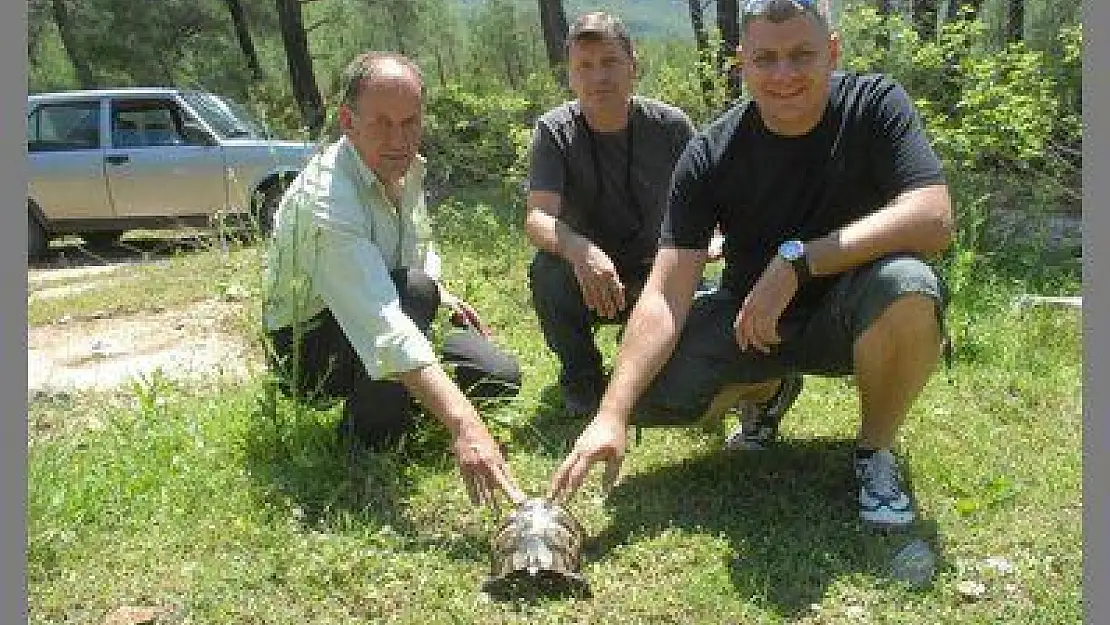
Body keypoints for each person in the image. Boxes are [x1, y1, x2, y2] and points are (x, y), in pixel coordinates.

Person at [548, 0, 954, 529]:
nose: (783, 75)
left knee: (908, 285)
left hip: (852, 314)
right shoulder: (711, 151)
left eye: (801, 55)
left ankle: (875, 451)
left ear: (832, 52)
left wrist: (798, 262)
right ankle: (767, 388)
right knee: (648, 391)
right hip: (753, 324)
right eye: (765, 59)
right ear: (742, 62)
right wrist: (610, 414)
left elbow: (933, 218)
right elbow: (665, 293)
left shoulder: (876, 104)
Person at [263, 51, 525, 509]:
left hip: (388, 306)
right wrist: (465, 423)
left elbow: (417, 251)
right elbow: (381, 318)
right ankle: (372, 442)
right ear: (348, 120)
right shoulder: (325, 198)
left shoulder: (405, 169)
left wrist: (444, 295)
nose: (398, 139)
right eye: (382, 122)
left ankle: (412, 398)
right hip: (309, 345)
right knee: (413, 294)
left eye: (410, 122)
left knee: (498, 376)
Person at [525, 11, 802, 429]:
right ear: (570, 75)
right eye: (585, 66)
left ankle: (750, 382)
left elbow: (713, 199)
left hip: (664, 272)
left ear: (633, 66)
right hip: (588, 277)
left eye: (610, 62)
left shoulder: (671, 126)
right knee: (548, 271)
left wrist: (712, 238)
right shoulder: (554, 130)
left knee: (705, 330)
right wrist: (580, 249)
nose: (599, 76)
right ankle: (582, 380)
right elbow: (538, 218)